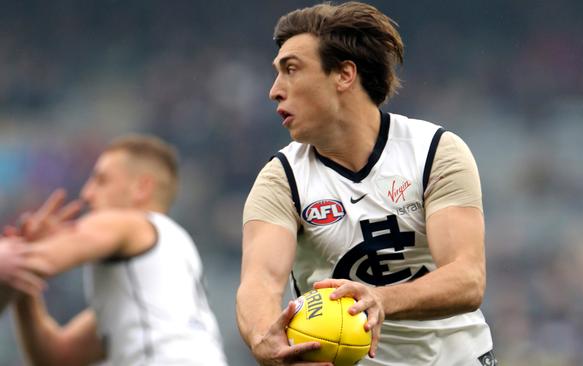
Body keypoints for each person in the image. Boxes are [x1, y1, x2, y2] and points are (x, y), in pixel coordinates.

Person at [236, 2, 496, 365]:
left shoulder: (435, 151)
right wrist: (264, 335)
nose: (275, 90)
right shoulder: (281, 179)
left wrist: (380, 299)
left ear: (344, 74)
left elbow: (467, 278)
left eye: (291, 70)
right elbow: (260, 281)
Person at [9, 135, 228, 365]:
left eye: (101, 180)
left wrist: (26, 246)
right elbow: (56, 357)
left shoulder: (130, 222)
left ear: (141, 188)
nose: (86, 193)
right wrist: (24, 287)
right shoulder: (170, 258)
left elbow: (42, 260)